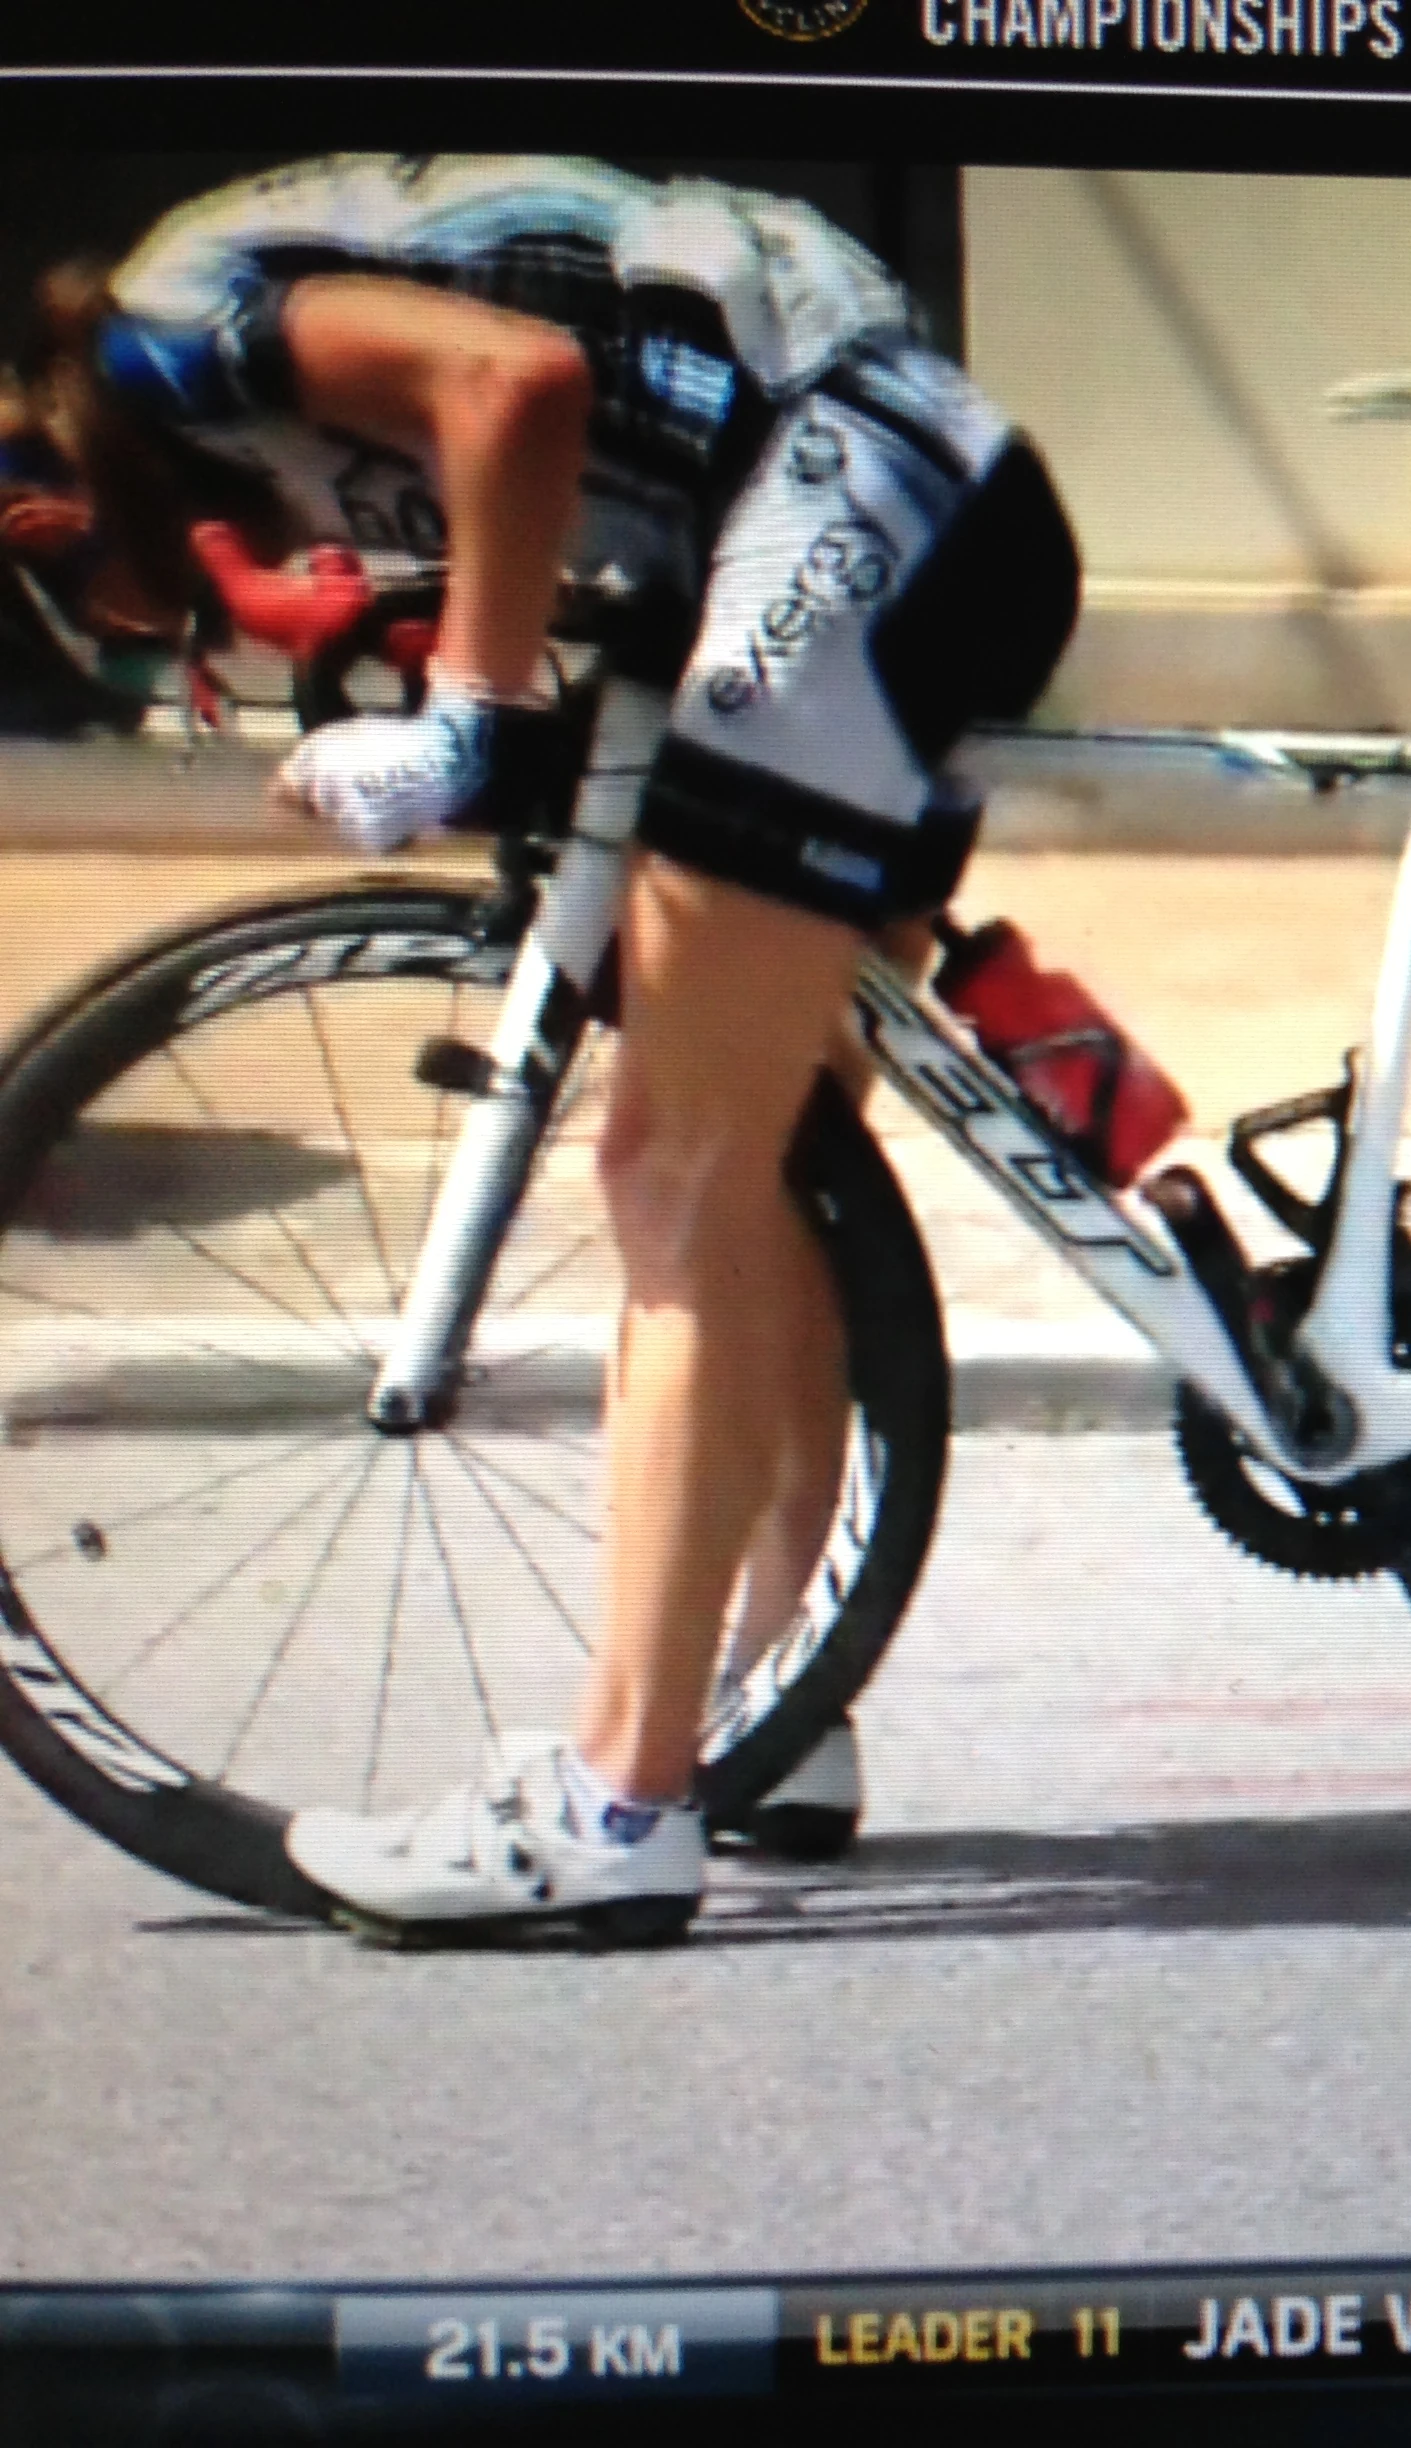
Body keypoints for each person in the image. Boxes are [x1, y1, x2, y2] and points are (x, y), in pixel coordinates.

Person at [1, 155, 1084, 1943]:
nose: (237, 641)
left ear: (63, 524)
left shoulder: (164, 348)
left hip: (851, 483)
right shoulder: (199, 385)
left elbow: (519, 386)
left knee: (673, 1168)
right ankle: (766, 1712)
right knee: (762, 1156)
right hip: (864, 493)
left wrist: (462, 719)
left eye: (184, 633)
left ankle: (613, 1807)